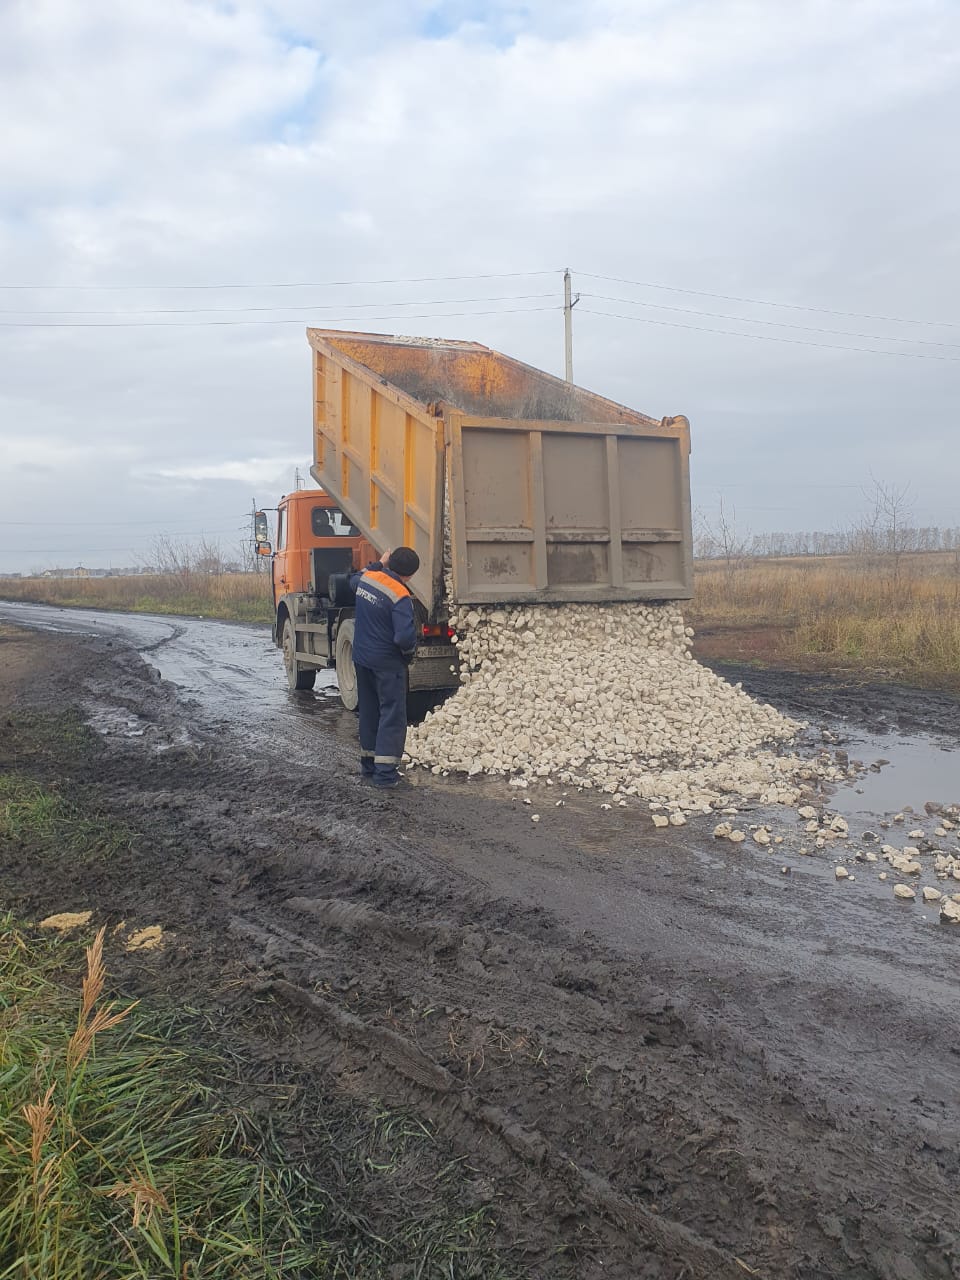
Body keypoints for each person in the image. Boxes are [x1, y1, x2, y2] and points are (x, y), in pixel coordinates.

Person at [348, 546, 420, 788]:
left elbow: (352, 580)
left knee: (369, 712)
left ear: (390, 563)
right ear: (411, 575)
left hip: (362, 659)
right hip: (387, 664)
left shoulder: (367, 579)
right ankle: (386, 776)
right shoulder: (400, 596)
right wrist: (409, 655)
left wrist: (378, 563)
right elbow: (403, 639)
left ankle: (369, 767)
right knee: (391, 715)